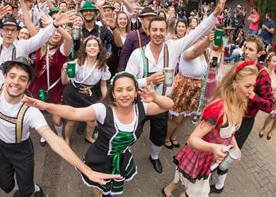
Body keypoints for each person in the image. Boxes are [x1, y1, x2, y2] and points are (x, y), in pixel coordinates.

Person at [0, 6, 118, 197]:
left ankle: (35, 190)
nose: (15, 83)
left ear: (28, 83)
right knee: (5, 186)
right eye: (12, 76)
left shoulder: (30, 109)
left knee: (27, 191)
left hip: (21, 151)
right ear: (4, 76)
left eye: (22, 79)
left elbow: (55, 141)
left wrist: (85, 169)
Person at [126, 0, 228, 174]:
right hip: (140, 103)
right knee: (132, 133)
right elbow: (127, 80)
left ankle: (154, 156)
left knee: (158, 136)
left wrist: (215, 13)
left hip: (163, 102)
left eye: (161, 30)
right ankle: (126, 156)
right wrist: (146, 80)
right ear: (148, 31)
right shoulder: (137, 54)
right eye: (154, 30)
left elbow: (197, 32)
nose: (157, 33)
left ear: (166, 32)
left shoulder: (173, 47)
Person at [23, 72, 174, 196]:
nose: (125, 94)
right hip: (100, 159)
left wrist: (155, 98)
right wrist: (44, 105)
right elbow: (73, 112)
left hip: (121, 158)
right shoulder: (103, 110)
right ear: (113, 94)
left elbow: (169, 105)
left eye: (129, 89)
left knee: (114, 187)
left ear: (136, 93)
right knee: (99, 189)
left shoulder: (142, 108)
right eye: (119, 90)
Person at [164, 61, 258, 197]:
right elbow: (192, 140)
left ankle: (168, 189)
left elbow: (229, 134)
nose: (251, 91)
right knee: (196, 193)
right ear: (234, 83)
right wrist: (213, 148)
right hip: (200, 156)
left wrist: (236, 147)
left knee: (187, 177)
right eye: (248, 86)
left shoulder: (240, 103)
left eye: (253, 85)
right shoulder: (217, 108)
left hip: (209, 159)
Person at [211, 35, 275, 193]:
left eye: (251, 50)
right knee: (218, 145)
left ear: (259, 54)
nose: (246, 52)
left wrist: (253, 96)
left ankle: (219, 185)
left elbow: (269, 106)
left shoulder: (262, 75)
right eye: (246, 48)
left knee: (228, 153)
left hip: (244, 121)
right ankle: (209, 174)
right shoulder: (240, 64)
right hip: (229, 113)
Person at [0, 4, 73, 78]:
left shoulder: (23, 45)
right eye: (6, 29)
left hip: (16, 90)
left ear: (17, 33)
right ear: (1, 31)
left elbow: (40, 38)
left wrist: (54, 24)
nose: (9, 33)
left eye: (12, 30)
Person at [29, 8, 73, 145]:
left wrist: (55, 25)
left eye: (59, 31)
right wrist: (23, 4)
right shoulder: (40, 45)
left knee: (57, 119)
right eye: (52, 30)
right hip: (38, 88)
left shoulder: (62, 51)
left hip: (56, 89)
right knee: (39, 114)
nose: (55, 34)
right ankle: (44, 135)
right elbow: (30, 25)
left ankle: (59, 135)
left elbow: (69, 38)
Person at [165, 33, 212, 149]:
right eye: (199, 36)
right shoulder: (188, 49)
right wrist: (207, 41)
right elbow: (193, 53)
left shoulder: (205, 53)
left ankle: (174, 136)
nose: (200, 38)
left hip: (196, 88)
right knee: (177, 118)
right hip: (184, 87)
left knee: (186, 117)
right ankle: (166, 137)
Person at [61, 37, 111, 145]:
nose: (92, 47)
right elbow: (65, 82)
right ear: (85, 49)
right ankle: (67, 139)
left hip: (90, 94)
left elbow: (103, 86)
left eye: (95, 45)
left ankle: (88, 136)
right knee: (71, 120)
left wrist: (106, 100)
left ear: (99, 49)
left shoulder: (103, 66)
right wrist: (64, 71)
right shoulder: (77, 63)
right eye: (89, 45)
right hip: (73, 93)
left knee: (92, 120)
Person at [117, 7, 156, 72]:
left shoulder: (156, 36)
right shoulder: (133, 36)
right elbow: (124, 56)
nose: (151, 22)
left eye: (153, 19)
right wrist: (121, 74)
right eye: (148, 19)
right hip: (136, 73)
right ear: (141, 20)